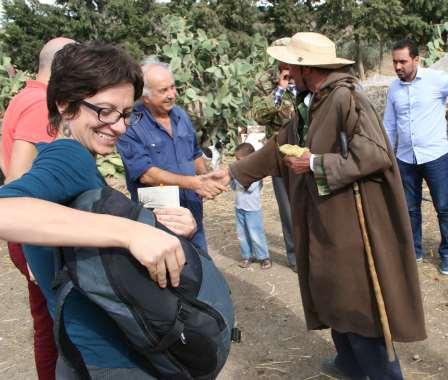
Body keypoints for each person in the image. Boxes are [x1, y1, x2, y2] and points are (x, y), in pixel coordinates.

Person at [210, 32, 426, 379]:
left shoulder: (346, 99)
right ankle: (350, 365)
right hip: (323, 218)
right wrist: (232, 174)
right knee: (333, 295)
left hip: (351, 223)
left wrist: (314, 164)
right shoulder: (311, 102)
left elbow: (375, 154)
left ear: (307, 68)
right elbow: (280, 147)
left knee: (357, 303)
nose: (285, 71)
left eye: (290, 66)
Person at [0, 41, 195, 379]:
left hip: (85, 355)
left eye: (126, 114)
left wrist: (153, 225)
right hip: (105, 360)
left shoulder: (68, 156)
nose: (118, 126)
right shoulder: (68, 157)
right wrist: (129, 231)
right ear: (64, 104)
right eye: (104, 111)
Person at [0, 36, 74, 379]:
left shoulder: (22, 97)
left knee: (47, 321)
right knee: (57, 325)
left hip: (31, 230)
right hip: (34, 233)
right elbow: (18, 180)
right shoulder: (39, 104)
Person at [117, 57, 226, 252]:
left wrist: (206, 177)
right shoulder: (131, 125)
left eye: (173, 87)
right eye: (163, 90)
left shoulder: (180, 115)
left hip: (192, 211)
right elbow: (146, 173)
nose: (171, 95)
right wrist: (194, 183)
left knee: (201, 264)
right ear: (146, 96)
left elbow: (194, 153)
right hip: (159, 218)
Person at [383, 39, 448, 275]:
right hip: (405, 159)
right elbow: (388, 125)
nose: (398, 67)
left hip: (435, 157)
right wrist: (387, 155)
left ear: (416, 60)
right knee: (410, 208)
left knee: (443, 207)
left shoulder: (436, 80)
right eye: (394, 62)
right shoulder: (394, 88)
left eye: (402, 62)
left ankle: (447, 254)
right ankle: (414, 250)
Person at [252, 40, 299, 271]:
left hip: (305, 147)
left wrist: (294, 88)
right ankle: (295, 256)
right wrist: (279, 90)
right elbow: (259, 116)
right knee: (287, 206)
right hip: (279, 150)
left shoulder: (304, 73)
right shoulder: (263, 81)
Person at [232, 143, 271, 270]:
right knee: (242, 234)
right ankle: (247, 256)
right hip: (239, 207)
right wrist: (232, 178)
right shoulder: (237, 172)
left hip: (252, 210)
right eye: (236, 160)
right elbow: (233, 187)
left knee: (255, 233)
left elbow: (248, 187)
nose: (237, 164)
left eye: (240, 161)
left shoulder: (255, 173)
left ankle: (264, 257)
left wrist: (235, 176)